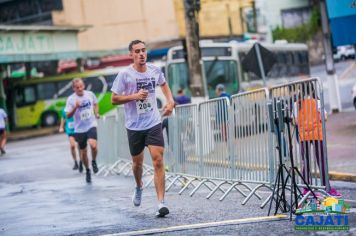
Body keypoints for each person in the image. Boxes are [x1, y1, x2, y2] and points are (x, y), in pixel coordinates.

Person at [111, 40, 175, 217]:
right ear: (131, 54)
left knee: (158, 160)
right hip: (134, 126)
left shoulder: (154, 70)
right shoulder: (125, 74)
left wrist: (170, 101)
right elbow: (114, 99)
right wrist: (134, 96)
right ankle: (138, 186)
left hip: (153, 122)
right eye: (137, 51)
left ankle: (161, 203)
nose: (141, 54)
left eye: (143, 50)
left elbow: (163, 84)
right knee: (137, 163)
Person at [294, 84, 341, 197]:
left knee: (306, 162)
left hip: (303, 136)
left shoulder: (297, 104)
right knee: (321, 161)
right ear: (312, 90)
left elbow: (294, 121)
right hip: (317, 134)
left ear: (300, 91)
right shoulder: (317, 102)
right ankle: (326, 188)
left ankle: (306, 188)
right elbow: (324, 118)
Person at [64, 78, 100, 183]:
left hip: (91, 124)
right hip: (79, 129)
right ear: (73, 88)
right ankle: (88, 170)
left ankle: (93, 161)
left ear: (83, 86)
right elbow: (67, 115)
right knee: (83, 153)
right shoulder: (71, 99)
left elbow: (96, 104)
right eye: (77, 87)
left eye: (81, 86)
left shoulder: (90, 94)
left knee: (93, 145)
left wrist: (96, 113)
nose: (80, 89)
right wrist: (75, 107)